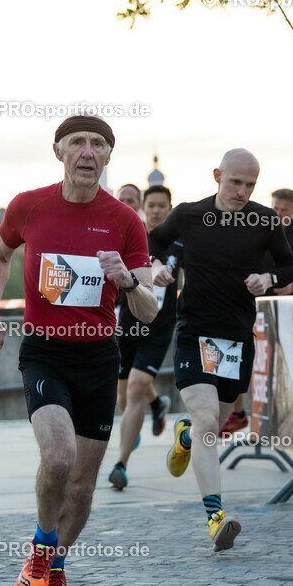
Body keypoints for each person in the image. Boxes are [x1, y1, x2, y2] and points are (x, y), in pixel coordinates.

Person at [0, 116, 157, 586]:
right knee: (58, 458)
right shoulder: (28, 206)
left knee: (81, 487)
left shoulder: (126, 220)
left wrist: (126, 280)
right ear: (58, 151)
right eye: (77, 143)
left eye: (98, 145)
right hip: (44, 351)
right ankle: (40, 547)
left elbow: (148, 308)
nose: (87, 151)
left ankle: (55, 570)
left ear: (107, 158)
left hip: (99, 357)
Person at [151, 148, 293, 552]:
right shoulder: (188, 214)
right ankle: (216, 517)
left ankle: (185, 437)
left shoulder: (264, 220)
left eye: (251, 185)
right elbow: (151, 242)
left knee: (211, 424)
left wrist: (268, 278)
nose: (243, 192)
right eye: (235, 182)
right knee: (206, 418)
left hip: (235, 336)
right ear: (217, 175)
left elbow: (290, 268)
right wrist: (158, 267)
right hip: (194, 330)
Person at [225, 188, 293, 435]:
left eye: (284, 211)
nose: (278, 215)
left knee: (279, 367)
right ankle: (240, 414)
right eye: (275, 209)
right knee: (240, 362)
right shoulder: (258, 230)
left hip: (284, 311)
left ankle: (281, 416)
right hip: (249, 308)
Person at [109, 184, 180, 490]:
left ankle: (120, 464)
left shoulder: (179, 242)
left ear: (168, 208)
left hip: (158, 329)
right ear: (143, 207)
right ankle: (155, 405)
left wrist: (161, 271)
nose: (155, 210)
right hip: (127, 323)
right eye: (151, 205)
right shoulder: (131, 235)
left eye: (161, 206)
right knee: (123, 399)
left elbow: (165, 265)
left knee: (136, 387)